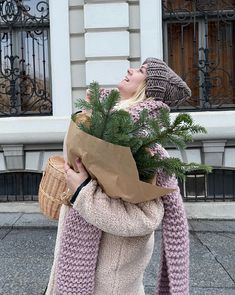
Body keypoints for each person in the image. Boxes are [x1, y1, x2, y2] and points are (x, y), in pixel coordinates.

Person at [46, 58, 191, 295]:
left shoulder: (143, 142)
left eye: (141, 70)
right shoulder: (103, 123)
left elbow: (146, 218)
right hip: (73, 266)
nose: (130, 70)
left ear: (150, 88)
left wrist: (83, 192)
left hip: (108, 286)